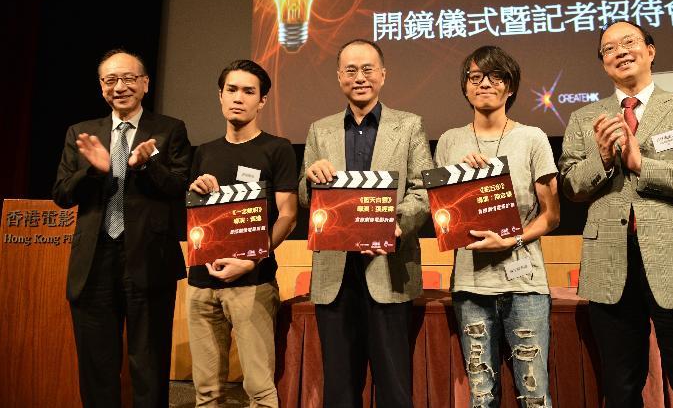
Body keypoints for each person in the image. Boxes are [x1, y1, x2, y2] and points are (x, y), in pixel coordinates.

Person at [558, 21, 673, 407]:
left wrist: (641, 164)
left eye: (629, 42)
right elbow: (570, 186)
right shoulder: (585, 118)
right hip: (610, 265)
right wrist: (601, 159)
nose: (620, 51)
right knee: (620, 388)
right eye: (609, 49)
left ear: (650, 51)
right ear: (603, 64)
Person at [298, 38, 433, 408]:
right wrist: (310, 179)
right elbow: (304, 197)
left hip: (388, 267)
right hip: (334, 273)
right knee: (339, 387)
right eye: (351, 70)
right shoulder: (319, 130)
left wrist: (397, 225)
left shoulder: (408, 126)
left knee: (394, 385)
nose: (360, 77)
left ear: (383, 75)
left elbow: (423, 191)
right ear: (339, 76)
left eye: (368, 69)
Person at [53, 49, 191, 408]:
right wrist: (95, 169)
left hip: (148, 260)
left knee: (149, 364)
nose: (120, 87)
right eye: (110, 80)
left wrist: (146, 165)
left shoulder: (169, 129)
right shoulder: (82, 133)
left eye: (128, 78)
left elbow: (179, 188)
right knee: (97, 367)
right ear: (101, 87)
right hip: (94, 262)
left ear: (145, 84)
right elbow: (62, 195)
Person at [434, 45, 560, 408]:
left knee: (534, 395)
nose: (484, 83)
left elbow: (551, 216)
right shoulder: (449, 141)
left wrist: (510, 239)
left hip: (525, 284)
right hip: (471, 285)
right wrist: (464, 183)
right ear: (466, 87)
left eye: (496, 76)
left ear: (510, 87)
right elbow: (443, 217)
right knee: (481, 395)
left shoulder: (532, 137)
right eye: (475, 77)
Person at [186, 59, 297, 407]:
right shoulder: (203, 152)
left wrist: (250, 261)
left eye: (249, 91)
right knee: (205, 392)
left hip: (253, 283)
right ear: (220, 96)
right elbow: (191, 218)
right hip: (201, 283)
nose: (239, 97)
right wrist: (197, 192)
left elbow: (289, 215)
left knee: (260, 390)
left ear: (262, 100)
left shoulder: (277, 149)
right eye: (231, 90)